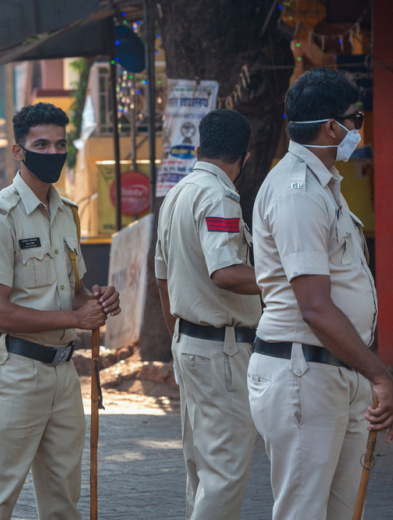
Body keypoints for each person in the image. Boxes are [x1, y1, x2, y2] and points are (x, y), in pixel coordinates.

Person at [249, 68, 393, 519]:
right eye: (356, 119)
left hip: (335, 370)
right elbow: (314, 307)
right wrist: (380, 376)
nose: (358, 129)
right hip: (303, 372)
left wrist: (365, 371)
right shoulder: (297, 192)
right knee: (304, 511)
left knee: (343, 510)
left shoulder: (323, 185)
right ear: (332, 127)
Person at [0, 102, 120, 520]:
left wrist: (97, 301)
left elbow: (74, 293)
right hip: (17, 373)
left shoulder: (68, 213)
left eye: (60, 145)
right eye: (42, 145)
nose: (53, 153)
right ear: (19, 151)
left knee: (63, 502)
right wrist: (75, 319)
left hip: (63, 375)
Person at [155, 109, 261, 520]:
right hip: (222, 352)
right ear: (244, 158)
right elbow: (227, 272)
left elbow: (162, 278)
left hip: (192, 343)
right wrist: (286, 278)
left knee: (201, 469)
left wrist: (178, 339)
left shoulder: (178, 194)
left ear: (199, 149)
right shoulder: (219, 196)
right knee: (225, 472)